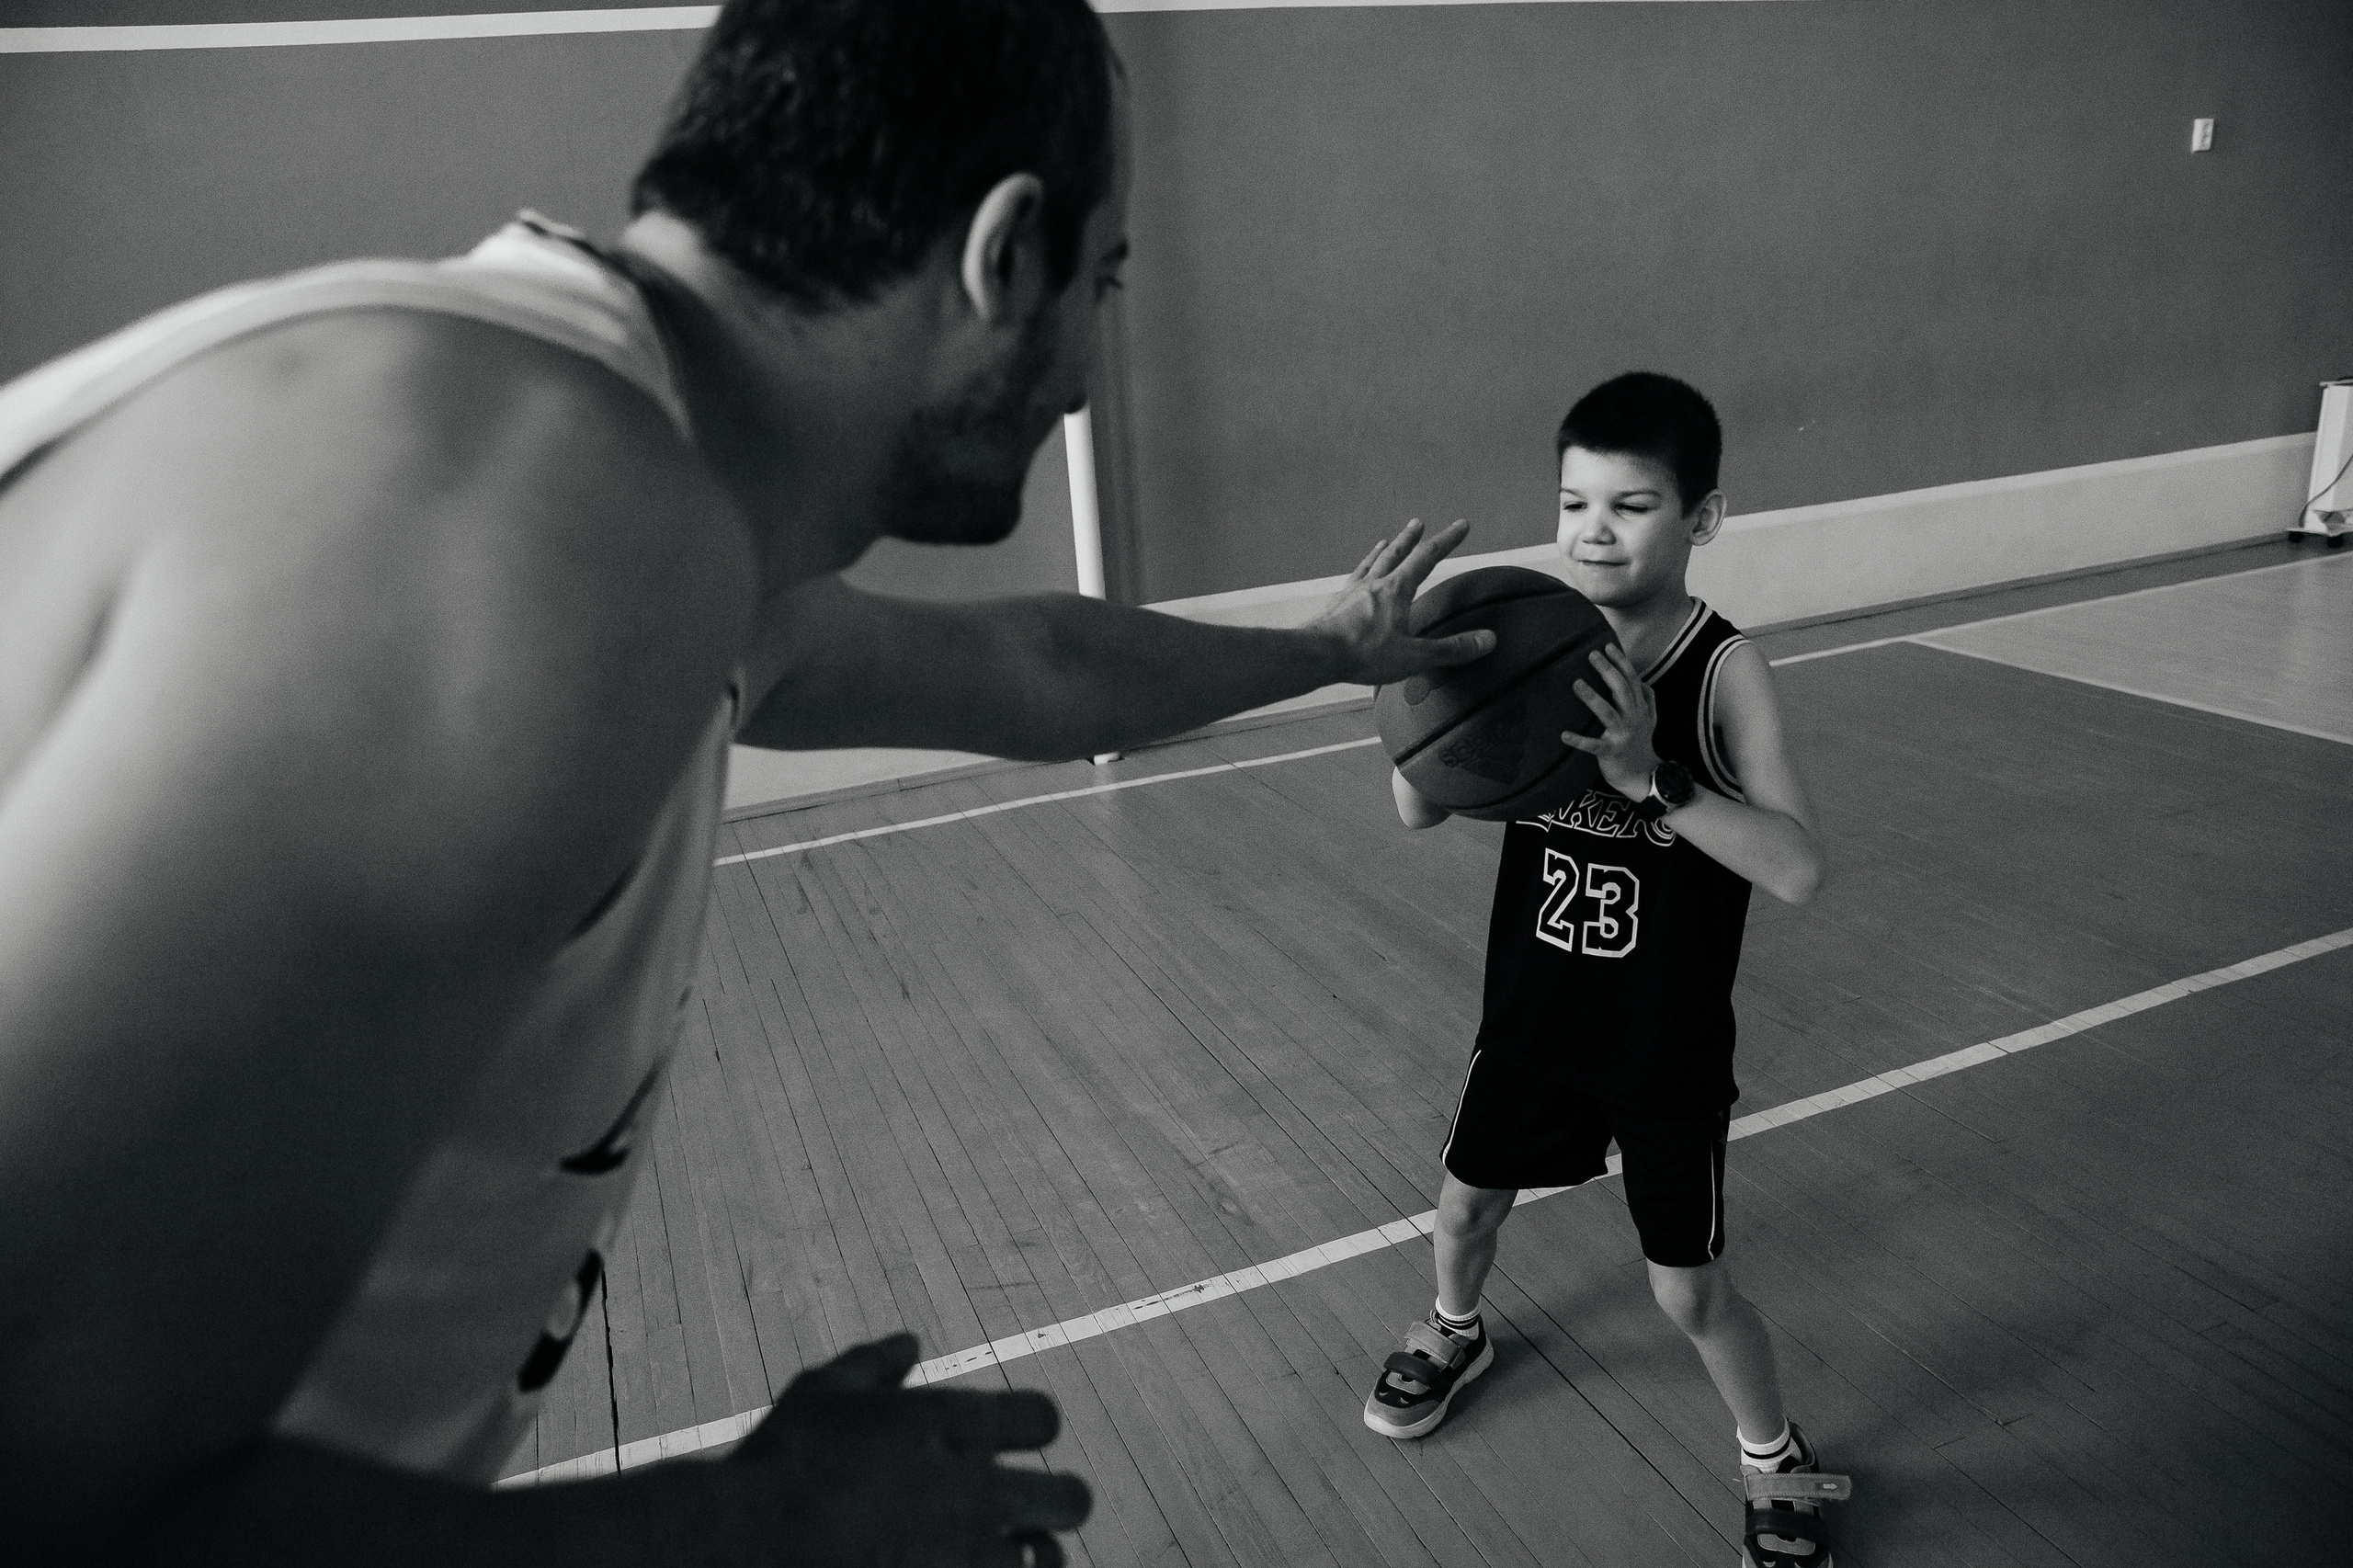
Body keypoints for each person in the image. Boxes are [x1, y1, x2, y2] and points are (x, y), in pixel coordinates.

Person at [0, 2, 1495, 1562]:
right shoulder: (519, 532)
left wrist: (1331, 647)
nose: (1081, 377)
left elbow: (1033, 669)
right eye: (1101, 282)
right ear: (1002, 254)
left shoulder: (584, 458)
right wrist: (751, 1524)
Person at [1364, 373, 1838, 1568]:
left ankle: (1775, 1455)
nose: (1594, 532)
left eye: (1632, 505)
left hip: (1659, 1044)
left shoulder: (1722, 671)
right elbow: (1419, 805)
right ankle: (1456, 1328)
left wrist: (1650, 777)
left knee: (1688, 1292)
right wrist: (1407, 688)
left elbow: (1797, 870)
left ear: (1703, 518)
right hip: (1531, 1020)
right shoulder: (1522, 638)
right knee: (1463, 1210)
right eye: (1575, 503)